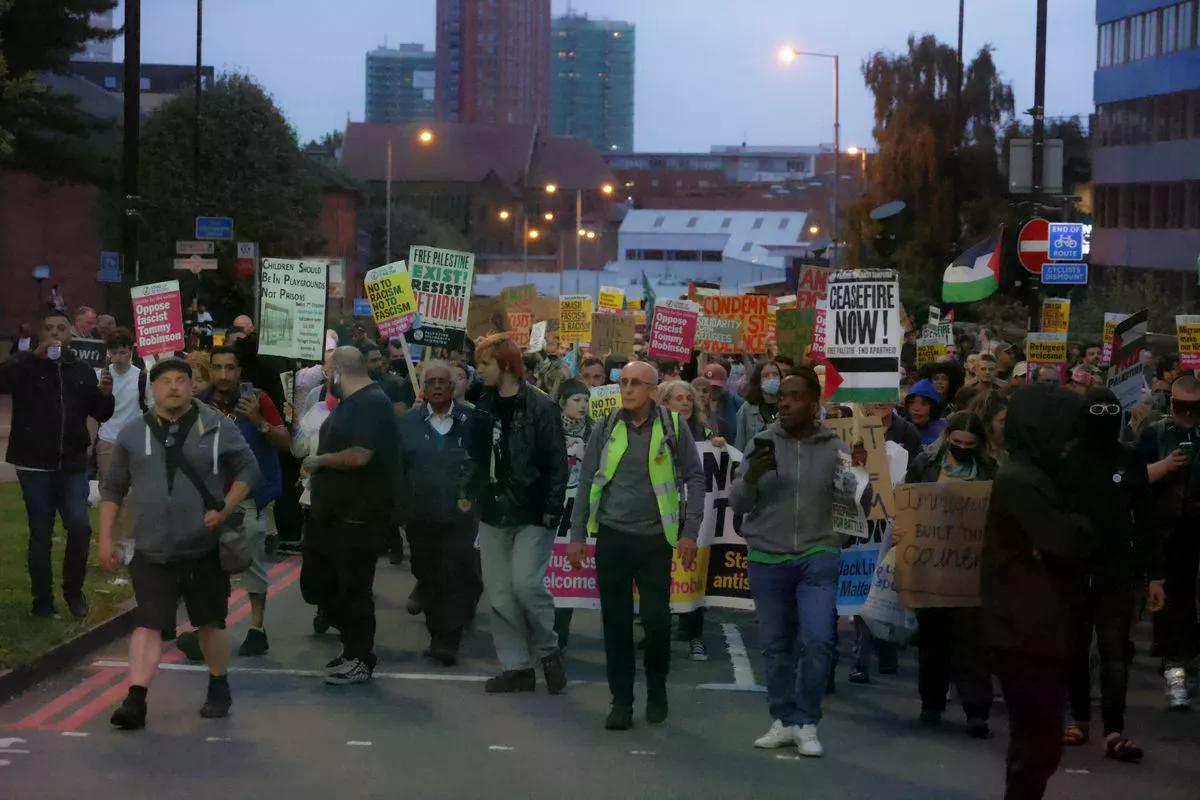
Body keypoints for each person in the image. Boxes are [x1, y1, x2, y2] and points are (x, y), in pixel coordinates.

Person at [99, 357, 259, 730]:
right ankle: (136, 699)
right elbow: (113, 487)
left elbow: (250, 469)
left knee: (209, 623)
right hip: (151, 547)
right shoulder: (132, 433)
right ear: (152, 389)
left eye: (181, 380)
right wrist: (106, 538)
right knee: (148, 622)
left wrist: (225, 508)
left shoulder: (216, 426)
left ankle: (219, 684)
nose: (173, 386)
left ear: (191, 386)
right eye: (165, 381)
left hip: (202, 546)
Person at [730, 368, 862, 758]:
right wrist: (752, 475)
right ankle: (784, 720)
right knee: (776, 646)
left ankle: (807, 721)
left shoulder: (835, 447)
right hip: (767, 557)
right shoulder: (761, 442)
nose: (784, 402)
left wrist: (857, 480)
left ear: (814, 403)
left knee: (819, 641)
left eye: (794, 396)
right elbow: (738, 503)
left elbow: (850, 504)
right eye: (781, 395)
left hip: (817, 556)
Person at [569, 362, 706, 730]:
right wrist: (578, 535)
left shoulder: (674, 427)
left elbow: (695, 476)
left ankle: (657, 687)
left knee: (657, 623)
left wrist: (690, 531)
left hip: (656, 541)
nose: (625, 389)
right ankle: (622, 702)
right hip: (613, 536)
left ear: (652, 390)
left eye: (634, 383)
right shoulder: (607, 426)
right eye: (622, 382)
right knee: (615, 624)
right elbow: (586, 481)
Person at [983, 384, 1091, 800]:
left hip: (1037, 626)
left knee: (1039, 744)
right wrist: (1080, 528)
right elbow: (1065, 541)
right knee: (1037, 743)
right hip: (1024, 629)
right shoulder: (1020, 480)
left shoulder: (1039, 475)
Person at [1061, 386, 1160, 761]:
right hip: (1073, 569)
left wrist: (1156, 576)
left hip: (1117, 572)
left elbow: (1146, 521)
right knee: (1073, 649)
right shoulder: (1065, 459)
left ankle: (1114, 729)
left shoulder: (1130, 459)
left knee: (1114, 652)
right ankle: (1079, 719)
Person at [0, 311, 114, 618]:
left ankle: (73, 591)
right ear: (40, 335)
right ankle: (43, 602)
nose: (54, 334)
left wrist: (106, 395)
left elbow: (100, 413)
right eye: (48, 329)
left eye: (60, 329)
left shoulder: (81, 370)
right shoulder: (26, 366)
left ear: (70, 335)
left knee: (79, 526)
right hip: (33, 464)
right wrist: (30, 357)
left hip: (72, 464)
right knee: (41, 533)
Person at [473, 334, 569, 694]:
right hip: (493, 509)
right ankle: (516, 667)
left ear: (506, 365)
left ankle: (548, 650)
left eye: (485, 364)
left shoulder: (541, 407)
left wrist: (551, 508)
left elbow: (557, 463)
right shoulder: (483, 403)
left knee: (525, 585)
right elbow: (477, 457)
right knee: (499, 594)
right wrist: (469, 491)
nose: (479, 370)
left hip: (533, 510)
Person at [181, 346, 288, 658]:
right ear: (210, 371)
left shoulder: (258, 399)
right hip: (208, 499)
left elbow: (284, 441)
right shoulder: (199, 402)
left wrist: (258, 420)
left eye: (230, 368)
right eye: (218, 368)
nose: (224, 375)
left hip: (246, 497)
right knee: (208, 568)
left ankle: (257, 630)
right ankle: (210, 630)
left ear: (240, 371)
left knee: (250, 561)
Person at [304, 347, 401, 684]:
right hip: (337, 514)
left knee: (356, 588)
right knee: (338, 586)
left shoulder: (373, 402)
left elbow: (361, 455)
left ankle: (361, 657)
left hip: (360, 515)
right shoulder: (351, 403)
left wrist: (320, 461)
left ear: (339, 372)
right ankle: (350, 650)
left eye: (328, 371)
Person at [906, 412, 998, 739]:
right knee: (933, 638)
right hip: (931, 563)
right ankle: (931, 703)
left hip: (973, 566)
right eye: (956, 442)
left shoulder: (990, 470)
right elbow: (909, 504)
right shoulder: (925, 464)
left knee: (972, 642)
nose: (962, 448)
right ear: (947, 439)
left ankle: (977, 710)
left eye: (969, 445)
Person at [397, 361, 489, 667]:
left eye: (442, 381)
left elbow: (484, 464)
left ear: (453, 387)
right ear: (423, 387)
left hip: (460, 517)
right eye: (431, 381)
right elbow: (399, 468)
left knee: (453, 576)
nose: (437, 386)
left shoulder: (473, 421)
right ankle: (437, 633)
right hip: (419, 516)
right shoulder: (408, 422)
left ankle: (448, 641)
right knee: (427, 576)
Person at [1138, 375, 1200, 707]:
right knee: (1168, 605)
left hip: (1193, 531)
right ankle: (1174, 673)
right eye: (1183, 408)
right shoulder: (1154, 433)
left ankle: (1186, 663)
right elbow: (1134, 478)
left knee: (1189, 606)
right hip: (1163, 533)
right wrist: (1165, 466)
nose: (1188, 416)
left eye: (1196, 409)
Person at [659, 379, 725, 662]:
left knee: (695, 575)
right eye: (678, 398)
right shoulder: (655, 431)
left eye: (688, 398)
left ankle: (694, 635)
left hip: (696, 515)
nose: (685, 403)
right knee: (661, 575)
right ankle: (657, 632)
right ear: (664, 403)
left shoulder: (707, 432)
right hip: (663, 514)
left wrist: (719, 446)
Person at [551, 379, 594, 651]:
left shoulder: (595, 433)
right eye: (577, 400)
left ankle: (559, 637)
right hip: (548, 512)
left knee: (565, 577)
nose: (583, 405)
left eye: (586, 400)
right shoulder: (547, 429)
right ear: (562, 402)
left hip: (575, 517)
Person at [95, 329, 148, 541]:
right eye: (114, 353)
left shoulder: (142, 377)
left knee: (132, 497)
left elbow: (150, 409)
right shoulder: (101, 375)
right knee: (110, 495)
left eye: (123, 352)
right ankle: (110, 540)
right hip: (107, 440)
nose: (118, 357)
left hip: (134, 442)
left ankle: (128, 540)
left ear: (131, 350)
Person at [735, 360, 784, 451]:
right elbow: (740, 443)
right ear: (759, 381)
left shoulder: (787, 405)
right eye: (766, 376)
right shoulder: (747, 408)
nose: (771, 379)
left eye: (775, 374)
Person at [362, 342, 416, 414]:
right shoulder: (351, 387)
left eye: (380, 359)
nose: (379, 364)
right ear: (362, 363)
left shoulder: (395, 384)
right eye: (374, 360)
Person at [702, 363, 743, 440]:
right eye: (709, 386)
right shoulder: (696, 403)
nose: (712, 389)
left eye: (716, 386)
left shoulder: (736, 402)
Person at [904, 379, 945, 447]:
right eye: (911, 402)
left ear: (933, 408)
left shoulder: (942, 431)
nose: (916, 409)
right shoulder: (900, 428)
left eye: (923, 404)